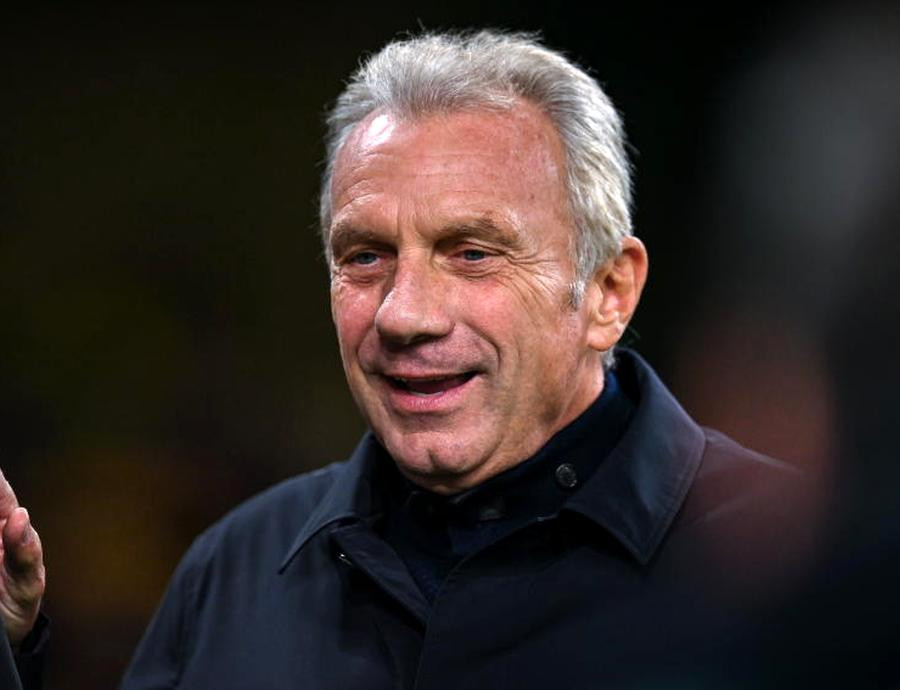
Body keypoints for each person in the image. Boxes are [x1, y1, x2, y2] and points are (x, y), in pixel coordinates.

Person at [2, 30, 816, 689]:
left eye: (472, 253)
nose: (403, 315)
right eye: (365, 256)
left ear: (609, 291)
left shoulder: (794, 571)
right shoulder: (236, 570)